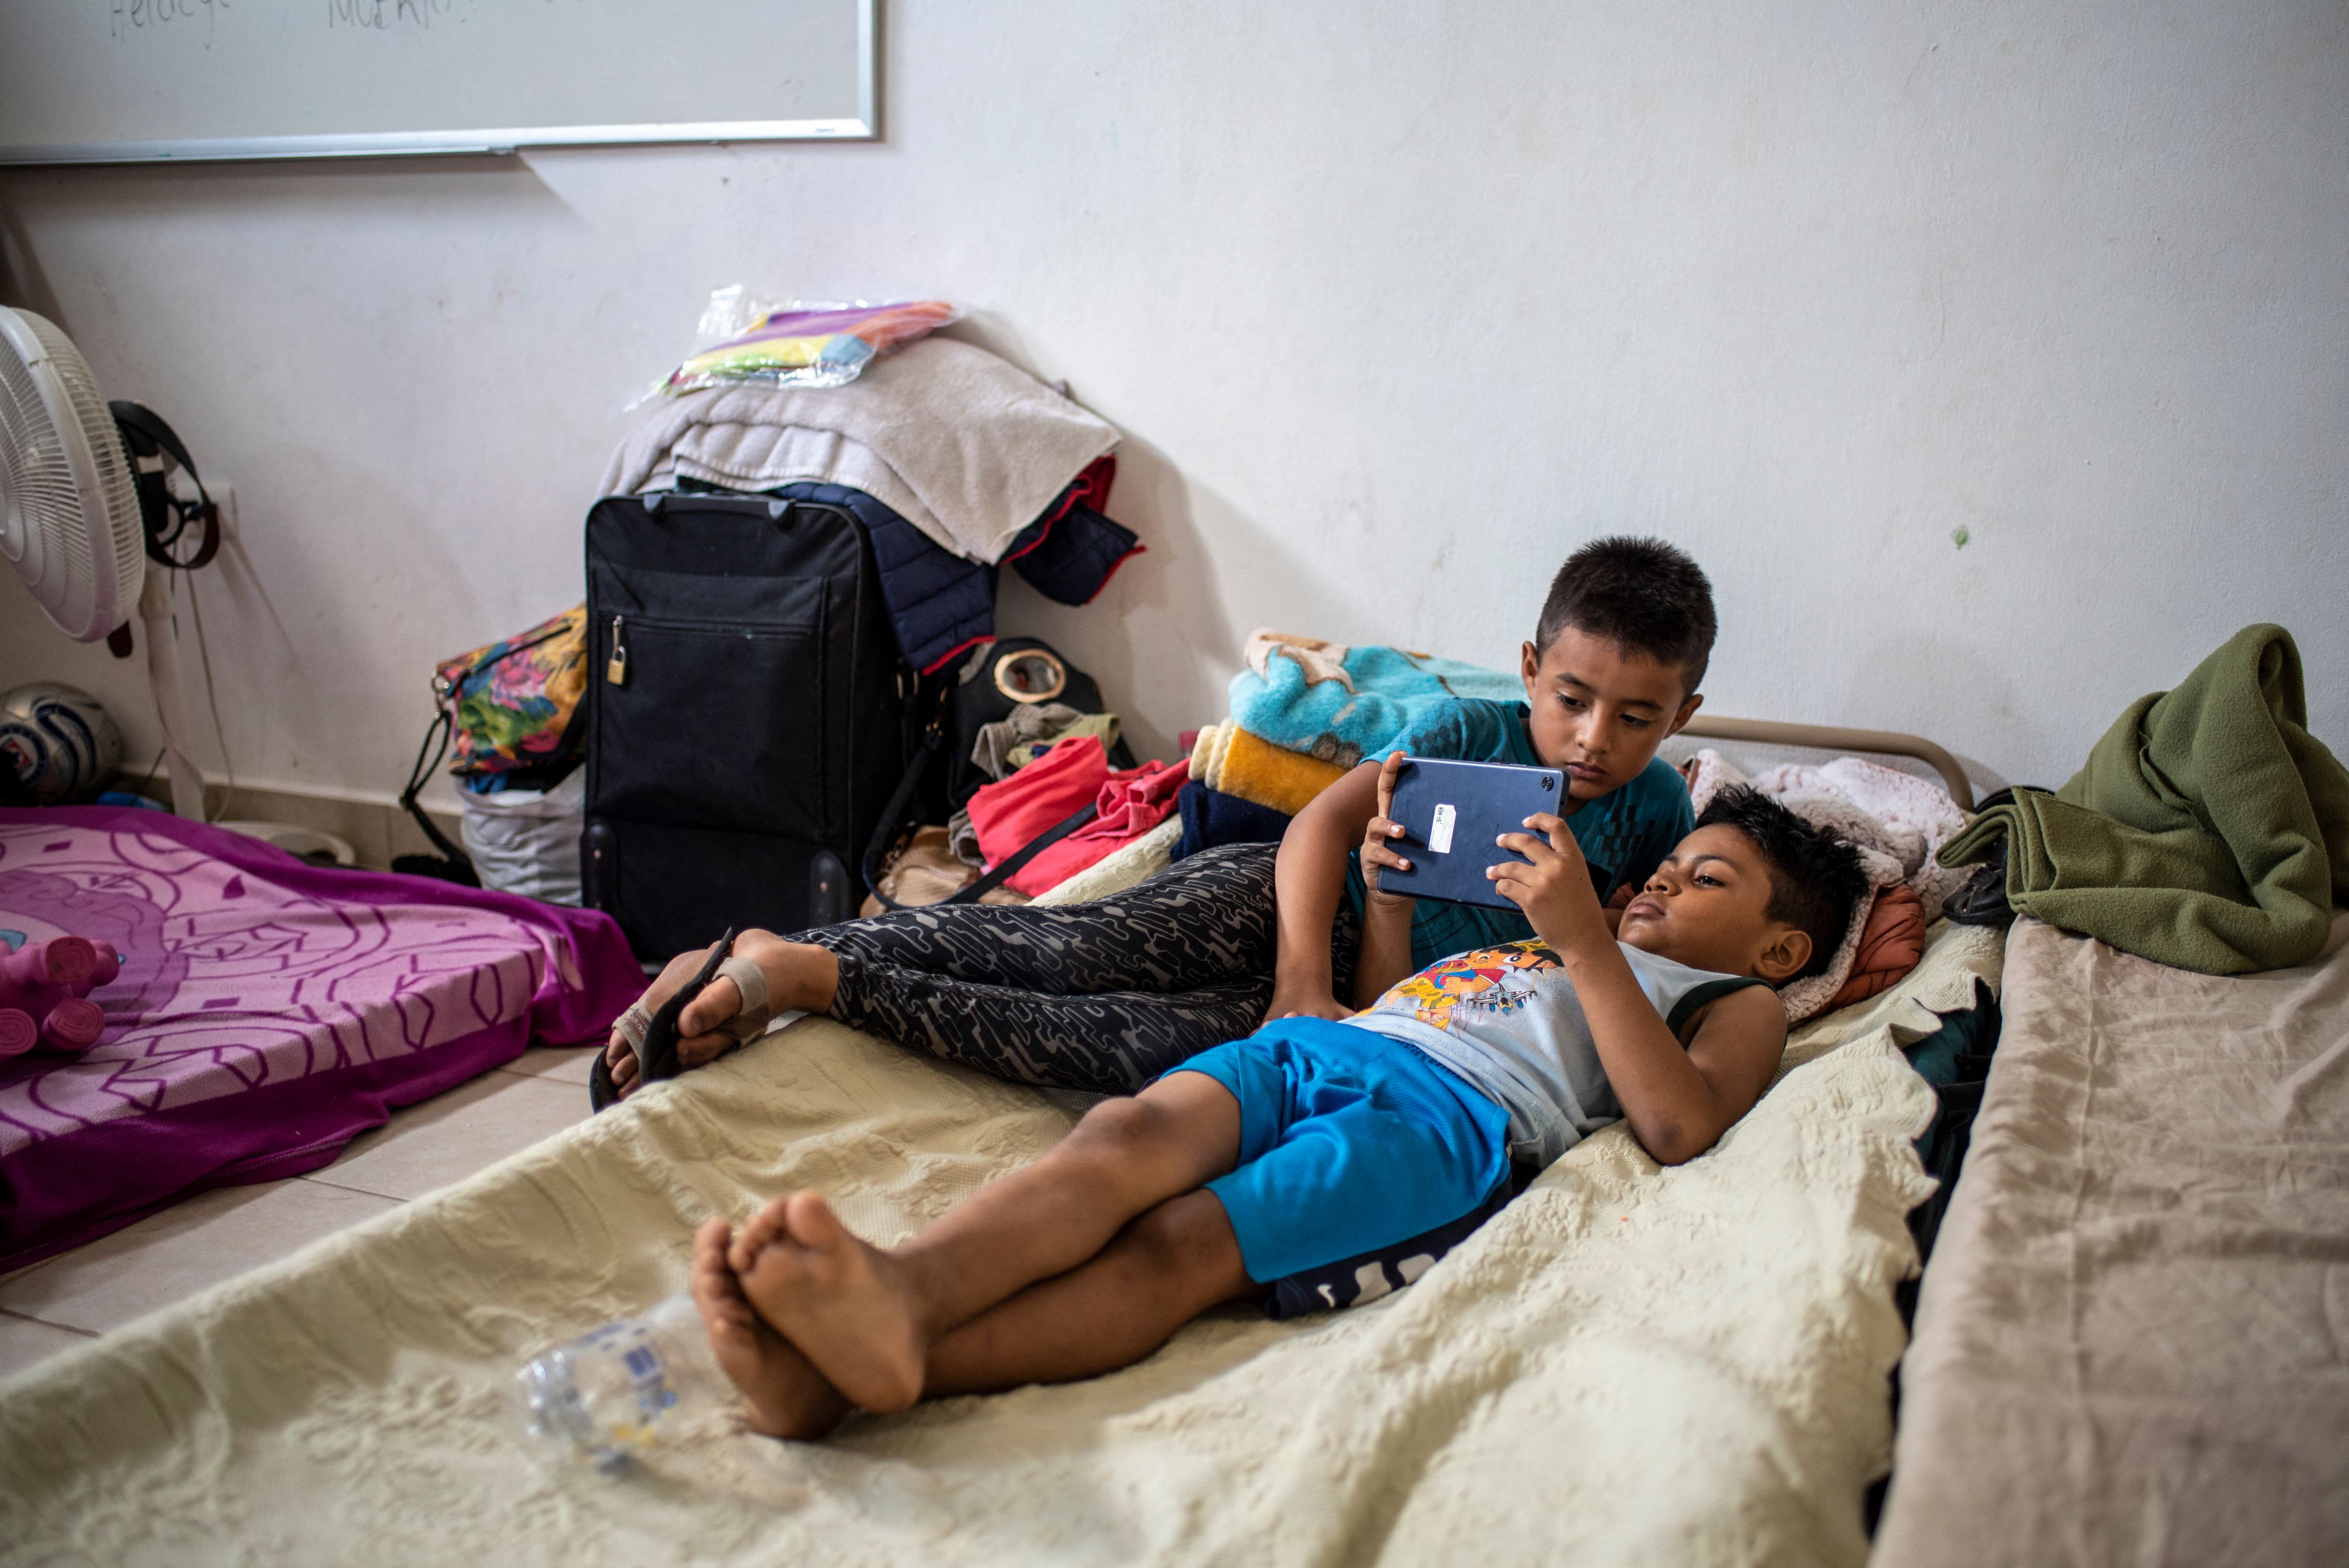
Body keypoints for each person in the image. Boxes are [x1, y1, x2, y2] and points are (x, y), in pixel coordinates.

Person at [686, 786, 1869, 1439]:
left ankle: (851, 1380)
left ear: (1779, 946)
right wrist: (1387, 905)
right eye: (1667, 865)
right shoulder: (1555, 940)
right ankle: (903, 1289)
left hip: (1447, 1126)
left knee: (1180, 1244)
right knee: (1118, 1135)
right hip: (1329, 1043)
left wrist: (1581, 939)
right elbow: (1389, 996)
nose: (1662, 879)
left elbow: (1676, 1126)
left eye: (1705, 879)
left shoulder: (1738, 1002)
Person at [601, 537, 1721, 1103]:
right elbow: (1318, 831)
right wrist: (1298, 975)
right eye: (1571, 699)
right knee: (1066, 952)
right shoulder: (1467, 732)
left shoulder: (1660, 811)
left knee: (1132, 1049)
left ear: (1684, 716)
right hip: (1290, 908)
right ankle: (784, 951)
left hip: (1384, 1001)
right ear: (1529, 669)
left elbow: (1636, 950)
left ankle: (814, 975)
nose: (1592, 739)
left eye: (1636, 718)